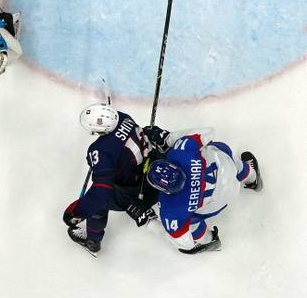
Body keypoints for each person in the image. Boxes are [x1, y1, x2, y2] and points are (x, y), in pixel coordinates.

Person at [143, 126, 262, 254]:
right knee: (219, 151)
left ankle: (209, 240)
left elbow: (186, 244)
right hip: (228, 171)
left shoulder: (170, 209)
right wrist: (168, 139)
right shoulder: (179, 151)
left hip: (223, 200)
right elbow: (209, 131)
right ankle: (253, 178)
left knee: (189, 221)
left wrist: (151, 221)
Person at [63, 104, 157, 255]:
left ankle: (93, 241)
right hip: (155, 169)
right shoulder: (124, 117)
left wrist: (76, 212)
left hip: (141, 190)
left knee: (99, 203)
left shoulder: (100, 150)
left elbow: (100, 193)